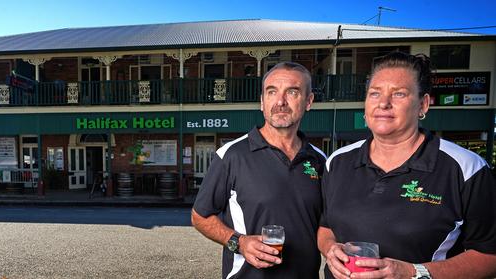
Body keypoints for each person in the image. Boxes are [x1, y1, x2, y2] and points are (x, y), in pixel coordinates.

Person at [318, 51, 496, 279]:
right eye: (374, 94)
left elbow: (490, 256)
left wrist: (413, 272)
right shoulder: (337, 162)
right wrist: (330, 249)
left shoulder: (466, 169)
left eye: (399, 94)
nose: (383, 103)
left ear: (423, 104)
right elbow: (326, 228)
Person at [192, 62, 327, 278]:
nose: (280, 101)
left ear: (309, 101)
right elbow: (200, 216)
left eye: (292, 92)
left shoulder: (321, 161)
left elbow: (326, 226)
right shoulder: (231, 155)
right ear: (262, 102)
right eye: (271, 92)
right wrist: (240, 242)